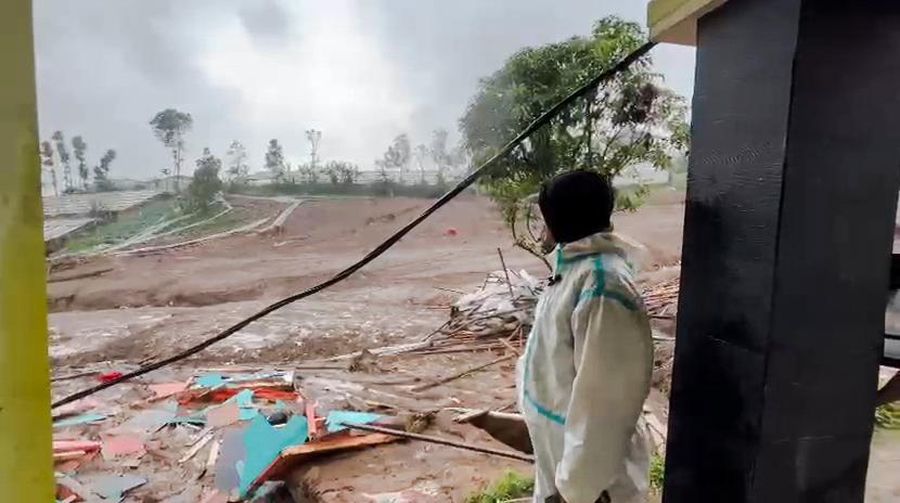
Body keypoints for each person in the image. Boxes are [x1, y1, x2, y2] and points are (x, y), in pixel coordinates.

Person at [517, 170, 654, 503]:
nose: (542, 227)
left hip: (594, 486)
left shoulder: (602, 287)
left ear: (558, 220)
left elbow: (605, 408)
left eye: (544, 217)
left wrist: (573, 490)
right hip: (566, 460)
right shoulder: (576, 272)